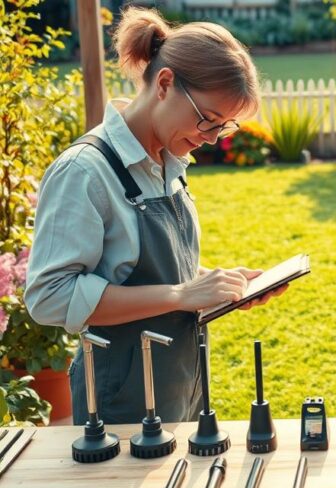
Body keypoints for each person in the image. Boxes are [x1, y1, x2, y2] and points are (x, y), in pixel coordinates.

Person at [26, 7, 285, 425]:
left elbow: (142, 269)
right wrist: (182, 295)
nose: (213, 139)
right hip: (119, 406)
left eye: (225, 127)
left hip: (180, 384)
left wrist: (215, 285)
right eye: (208, 120)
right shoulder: (84, 171)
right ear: (165, 84)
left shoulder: (166, 163)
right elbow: (49, 296)